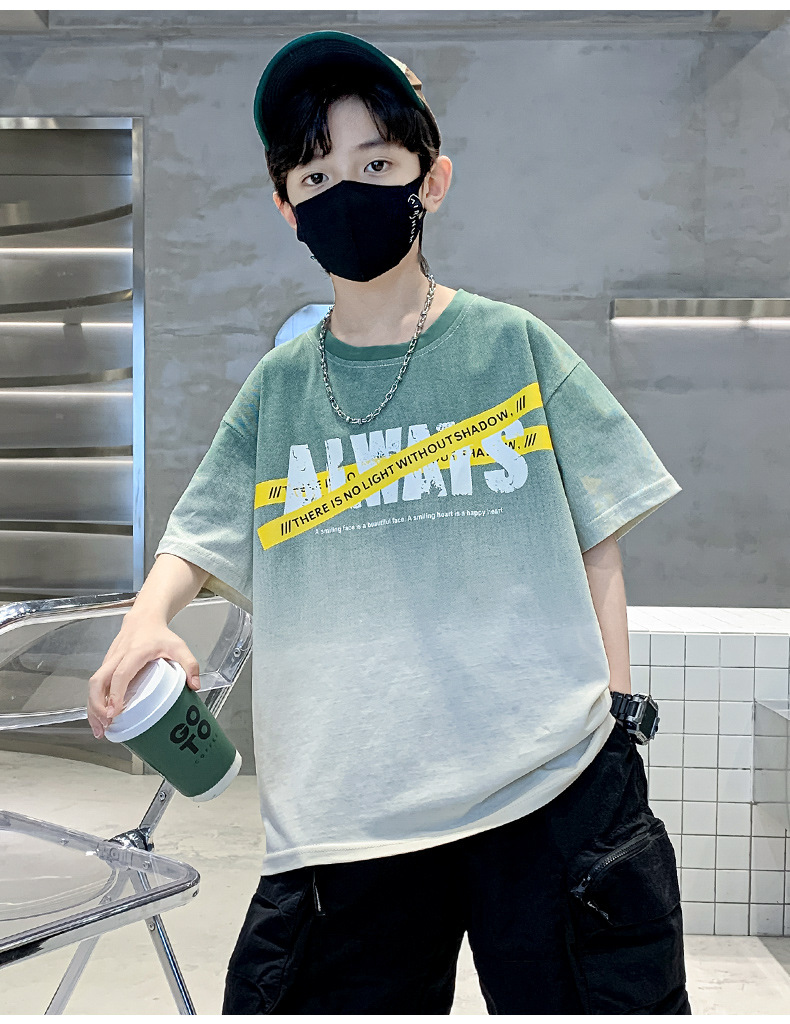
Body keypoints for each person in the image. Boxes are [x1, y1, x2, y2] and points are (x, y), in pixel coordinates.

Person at [88, 30, 692, 1015]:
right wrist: (147, 617)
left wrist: (617, 720)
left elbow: (600, 536)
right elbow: (198, 532)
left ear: (431, 181)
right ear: (287, 208)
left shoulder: (512, 346)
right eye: (315, 175)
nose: (346, 192)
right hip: (348, 811)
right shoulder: (279, 389)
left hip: (550, 785)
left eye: (376, 166)